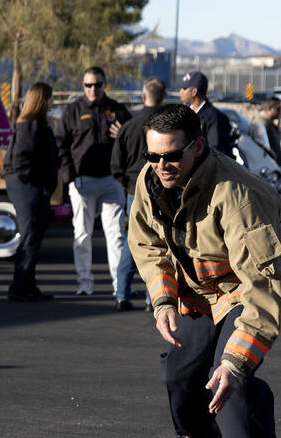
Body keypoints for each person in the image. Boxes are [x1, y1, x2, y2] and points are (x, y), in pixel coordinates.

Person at [128, 105, 281, 438]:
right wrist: (164, 300)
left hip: (251, 286)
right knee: (179, 373)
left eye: (172, 156)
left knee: (231, 384)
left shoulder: (240, 195)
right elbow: (147, 244)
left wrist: (235, 360)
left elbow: (262, 284)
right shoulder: (151, 181)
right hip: (200, 290)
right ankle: (199, 436)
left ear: (199, 146)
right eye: (153, 157)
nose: (161, 166)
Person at [54, 65, 132, 299]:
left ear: (104, 85)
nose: (93, 89)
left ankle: (120, 286)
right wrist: (69, 177)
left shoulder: (117, 110)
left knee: (116, 235)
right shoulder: (72, 111)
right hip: (82, 182)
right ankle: (85, 284)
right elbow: (61, 145)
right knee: (82, 234)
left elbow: (135, 141)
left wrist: (122, 135)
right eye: (88, 85)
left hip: (111, 181)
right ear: (83, 86)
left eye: (97, 84)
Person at [111, 76, 166, 311]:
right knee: (159, 245)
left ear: (143, 97)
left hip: (134, 189)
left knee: (133, 243)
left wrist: (127, 183)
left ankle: (122, 294)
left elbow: (116, 164)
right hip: (161, 190)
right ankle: (152, 298)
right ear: (162, 98)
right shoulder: (164, 129)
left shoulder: (129, 126)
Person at [2, 82, 58, 302]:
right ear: (42, 101)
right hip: (27, 186)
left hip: (31, 185)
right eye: (50, 99)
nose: (52, 103)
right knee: (29, 235)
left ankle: (27, 285)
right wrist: (37, 183)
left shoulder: (35, 125)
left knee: (34, 234)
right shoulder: (30, 125)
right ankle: (19, 287)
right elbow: (21, 159)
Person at [178, 71, 234, 159]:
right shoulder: (186, 112)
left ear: (194, 92)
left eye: (184, 88)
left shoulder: (214, 117)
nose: (180, 91)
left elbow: (216, 151)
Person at [248, 97, 281, 164]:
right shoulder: (261, 122)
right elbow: (260, 148)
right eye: (278, 108)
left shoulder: (268, 122)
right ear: (269, 108)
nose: (280, 111)